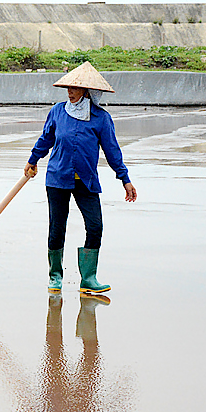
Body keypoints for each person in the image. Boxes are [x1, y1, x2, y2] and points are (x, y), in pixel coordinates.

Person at [24, 62, 137, 295]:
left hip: (86, 180)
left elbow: (112, 151)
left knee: (95, 226)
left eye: (75, 88)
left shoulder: (101, 118)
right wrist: (33, 159)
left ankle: (89, 278)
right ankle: (55, 276)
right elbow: (46, 139)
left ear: (87, 91)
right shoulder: (58, 111)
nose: (70, 92)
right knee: (57, 228)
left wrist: (124, 179)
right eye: (68, 87)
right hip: (58, 178)